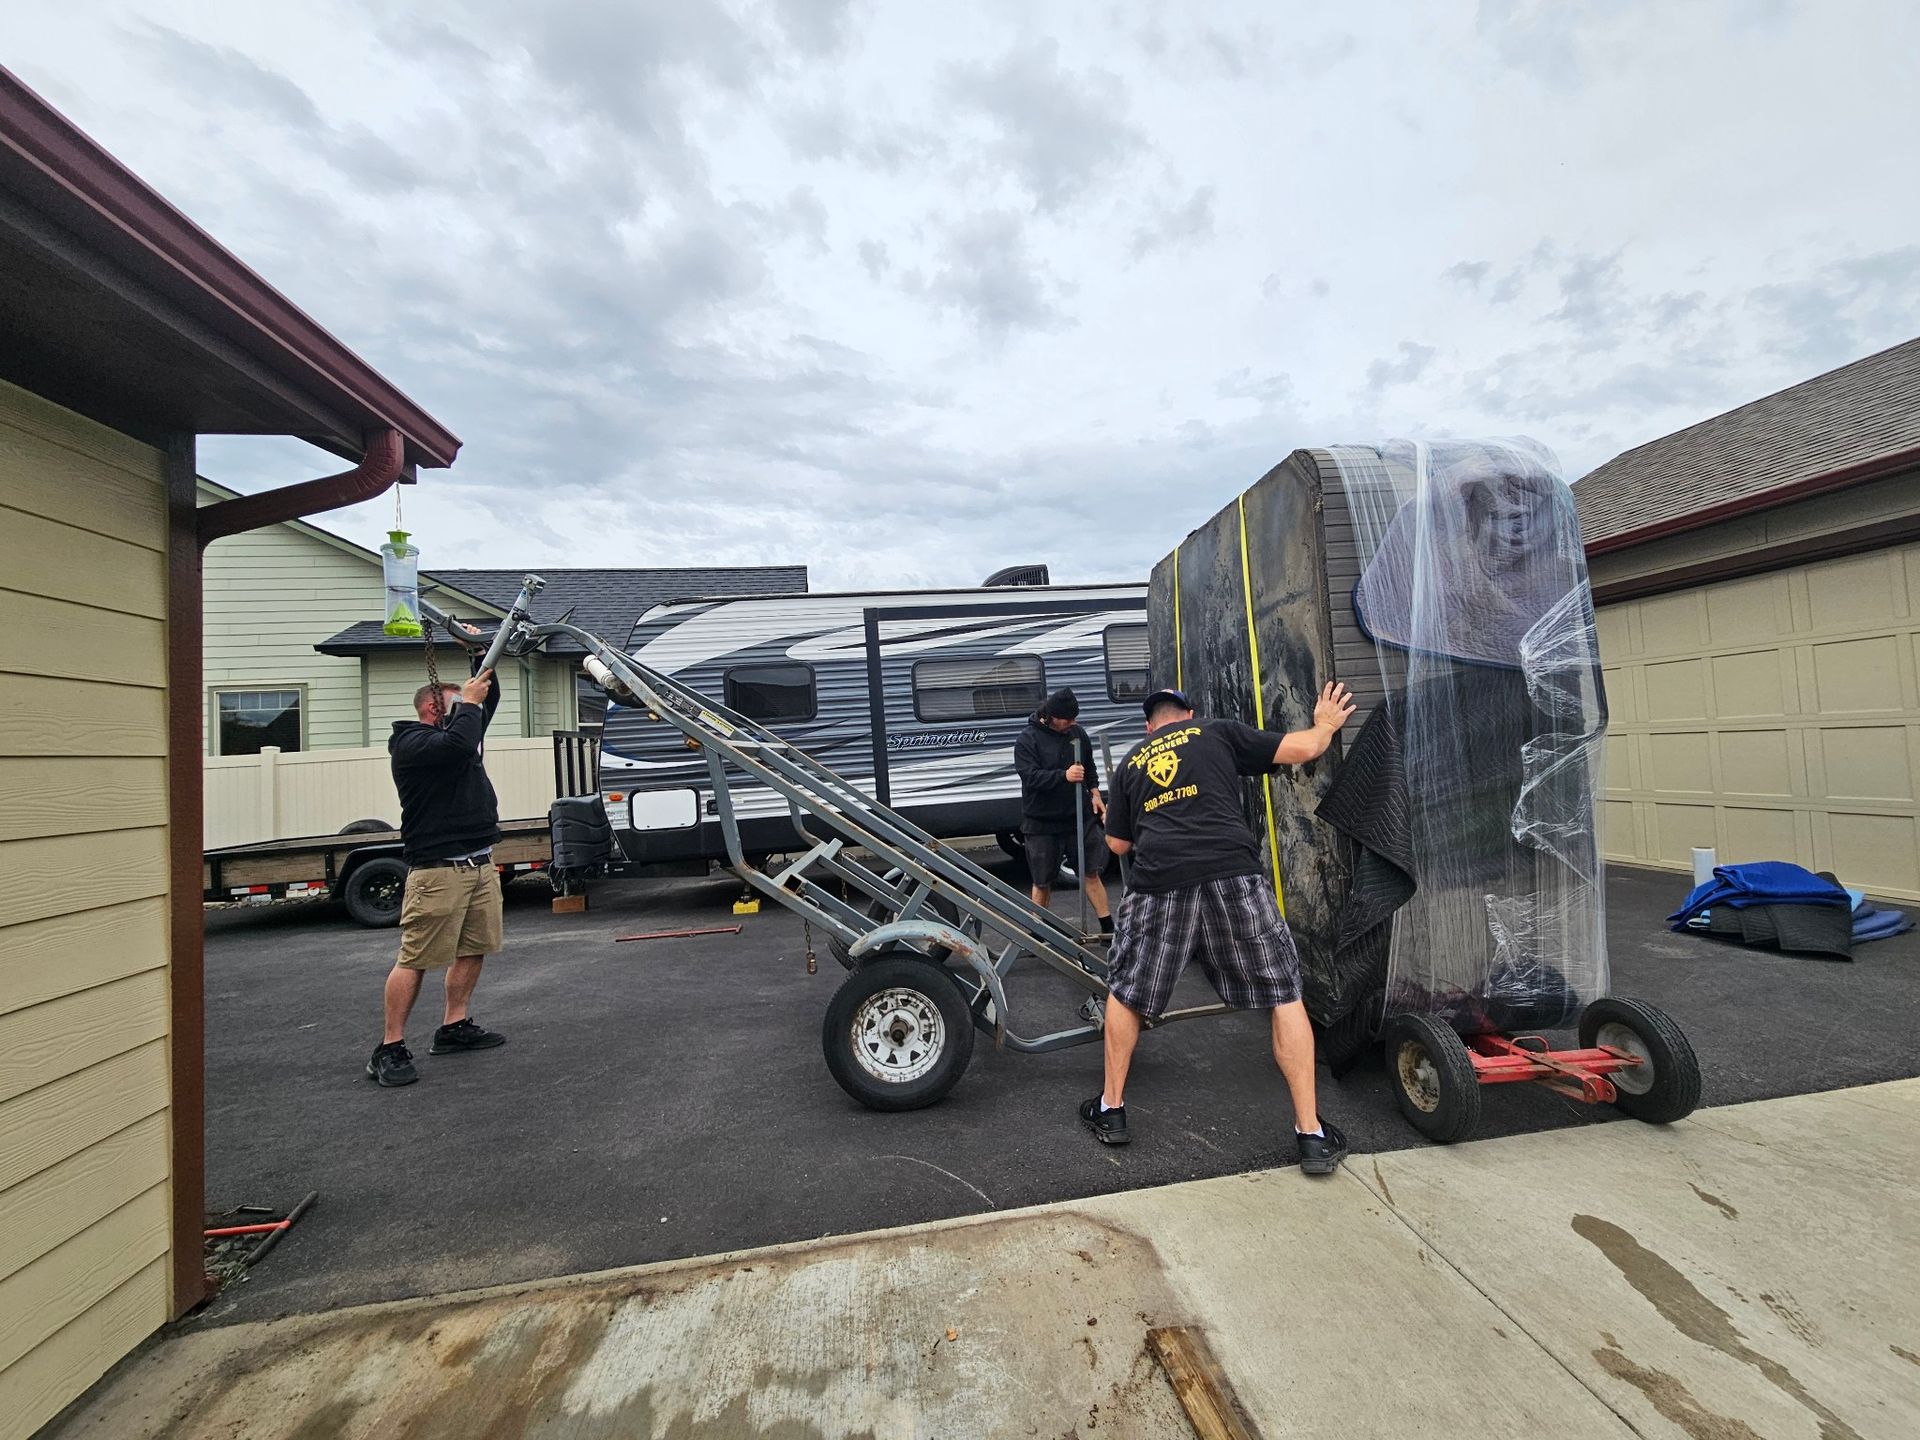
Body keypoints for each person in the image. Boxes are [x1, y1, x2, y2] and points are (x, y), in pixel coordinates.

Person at [1085, 682, 1357, 1173]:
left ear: (1150, 725)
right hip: (1232, 874)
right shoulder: (1216, 732)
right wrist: (1326, 725)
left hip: (1159, 884)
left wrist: (1111, 814)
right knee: (1285, 994)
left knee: (1126, 993)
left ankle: (1112, 1111)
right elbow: (1305, 749)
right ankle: (1311, 1135)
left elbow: (1119, 847)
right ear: (1189, 713)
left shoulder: (1132, 761)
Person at [366, 648, 510, 1087]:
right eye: (458, 702)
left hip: (479, 863)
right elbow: (461, 739)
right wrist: (466, 703)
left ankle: (453, 1026)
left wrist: (481, 653)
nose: (470, 708)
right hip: (437, 870)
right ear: (434, 708)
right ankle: (389, 1046)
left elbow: (487, 697)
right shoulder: (412, 744)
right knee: (416, 958)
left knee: (474, 947)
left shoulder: (458, 734)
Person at [1012, 688, 1112, 935]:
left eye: (1074, 718)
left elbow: (1088, 766)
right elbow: (1030, 777)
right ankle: (1037, 931)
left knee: (1091, 872)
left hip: (1077, 817)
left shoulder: (1077, 734)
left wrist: (1096, 793)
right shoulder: (1028, 739)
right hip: (1041, 822)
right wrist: (1063, 776)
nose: (1073, 723)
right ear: (1051, 716)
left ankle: (1109, 928)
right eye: (1067, 719)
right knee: (1042, 881)